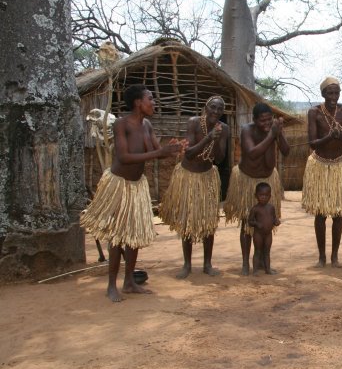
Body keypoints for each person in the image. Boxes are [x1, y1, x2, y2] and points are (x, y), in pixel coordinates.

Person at [81, 84, 182, 302]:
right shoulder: (121, 124)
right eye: (150, 99)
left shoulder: (147, 125)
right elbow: (124, 156)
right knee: (117, 237)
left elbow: (157, 153)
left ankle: (129, 282)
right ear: (138, 102)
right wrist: (159, 151)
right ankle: (111, 286)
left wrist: (171, 150)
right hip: (119, 184)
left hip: (137, 186)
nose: (153, 102)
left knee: (133, 237)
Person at [159, 96, 229, 279]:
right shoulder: (194, 123)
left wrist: (218, 139)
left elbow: (220, 159)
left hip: (207, 177)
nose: (215, 111)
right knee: (187, 220)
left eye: (220, 109)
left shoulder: (224, 129)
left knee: (209, 222)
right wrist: (208, 138)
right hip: (188, 177)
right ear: (206, 107)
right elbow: (188, 153)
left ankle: (207, 264)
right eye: (213, 107)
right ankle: (187, 265)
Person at [222, 103, 289, 276]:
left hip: (267, 180)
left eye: (269, 119)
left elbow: (286, 151)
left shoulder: (274, 129)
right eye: (262, 120)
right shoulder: (247, 130)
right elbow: (252, 153)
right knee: (247, 223)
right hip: (247, 180)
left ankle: (262, 262)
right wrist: (271, 135)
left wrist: (279, 133)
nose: (266, 123)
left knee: (267, 222)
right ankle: (246, 263)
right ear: (254, 120)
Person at [302, 76, 342, 268]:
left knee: (338, 214)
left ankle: (334, 256)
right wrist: (328, 137)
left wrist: (339, 135)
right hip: (320, 166)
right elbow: (312, 143)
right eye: (329, 93)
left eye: (336, 93)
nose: (333, 96)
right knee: (321, 214)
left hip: (340, 165)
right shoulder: (314, 112)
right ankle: (322, 257)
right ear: (323, 93)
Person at [248, 182, 281, 275]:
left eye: (266, 195)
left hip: (268, 234)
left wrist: (276, 221)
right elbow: (250, 221)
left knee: (267, 252)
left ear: (270, 196)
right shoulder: (255, 209)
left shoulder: (271, 208)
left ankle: (268, 269)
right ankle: (255, 270)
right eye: (261, 195)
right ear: (256, 196)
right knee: (257, 251)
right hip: (258, 234)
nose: (263, 197)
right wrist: (257, 224)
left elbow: (274, 218)